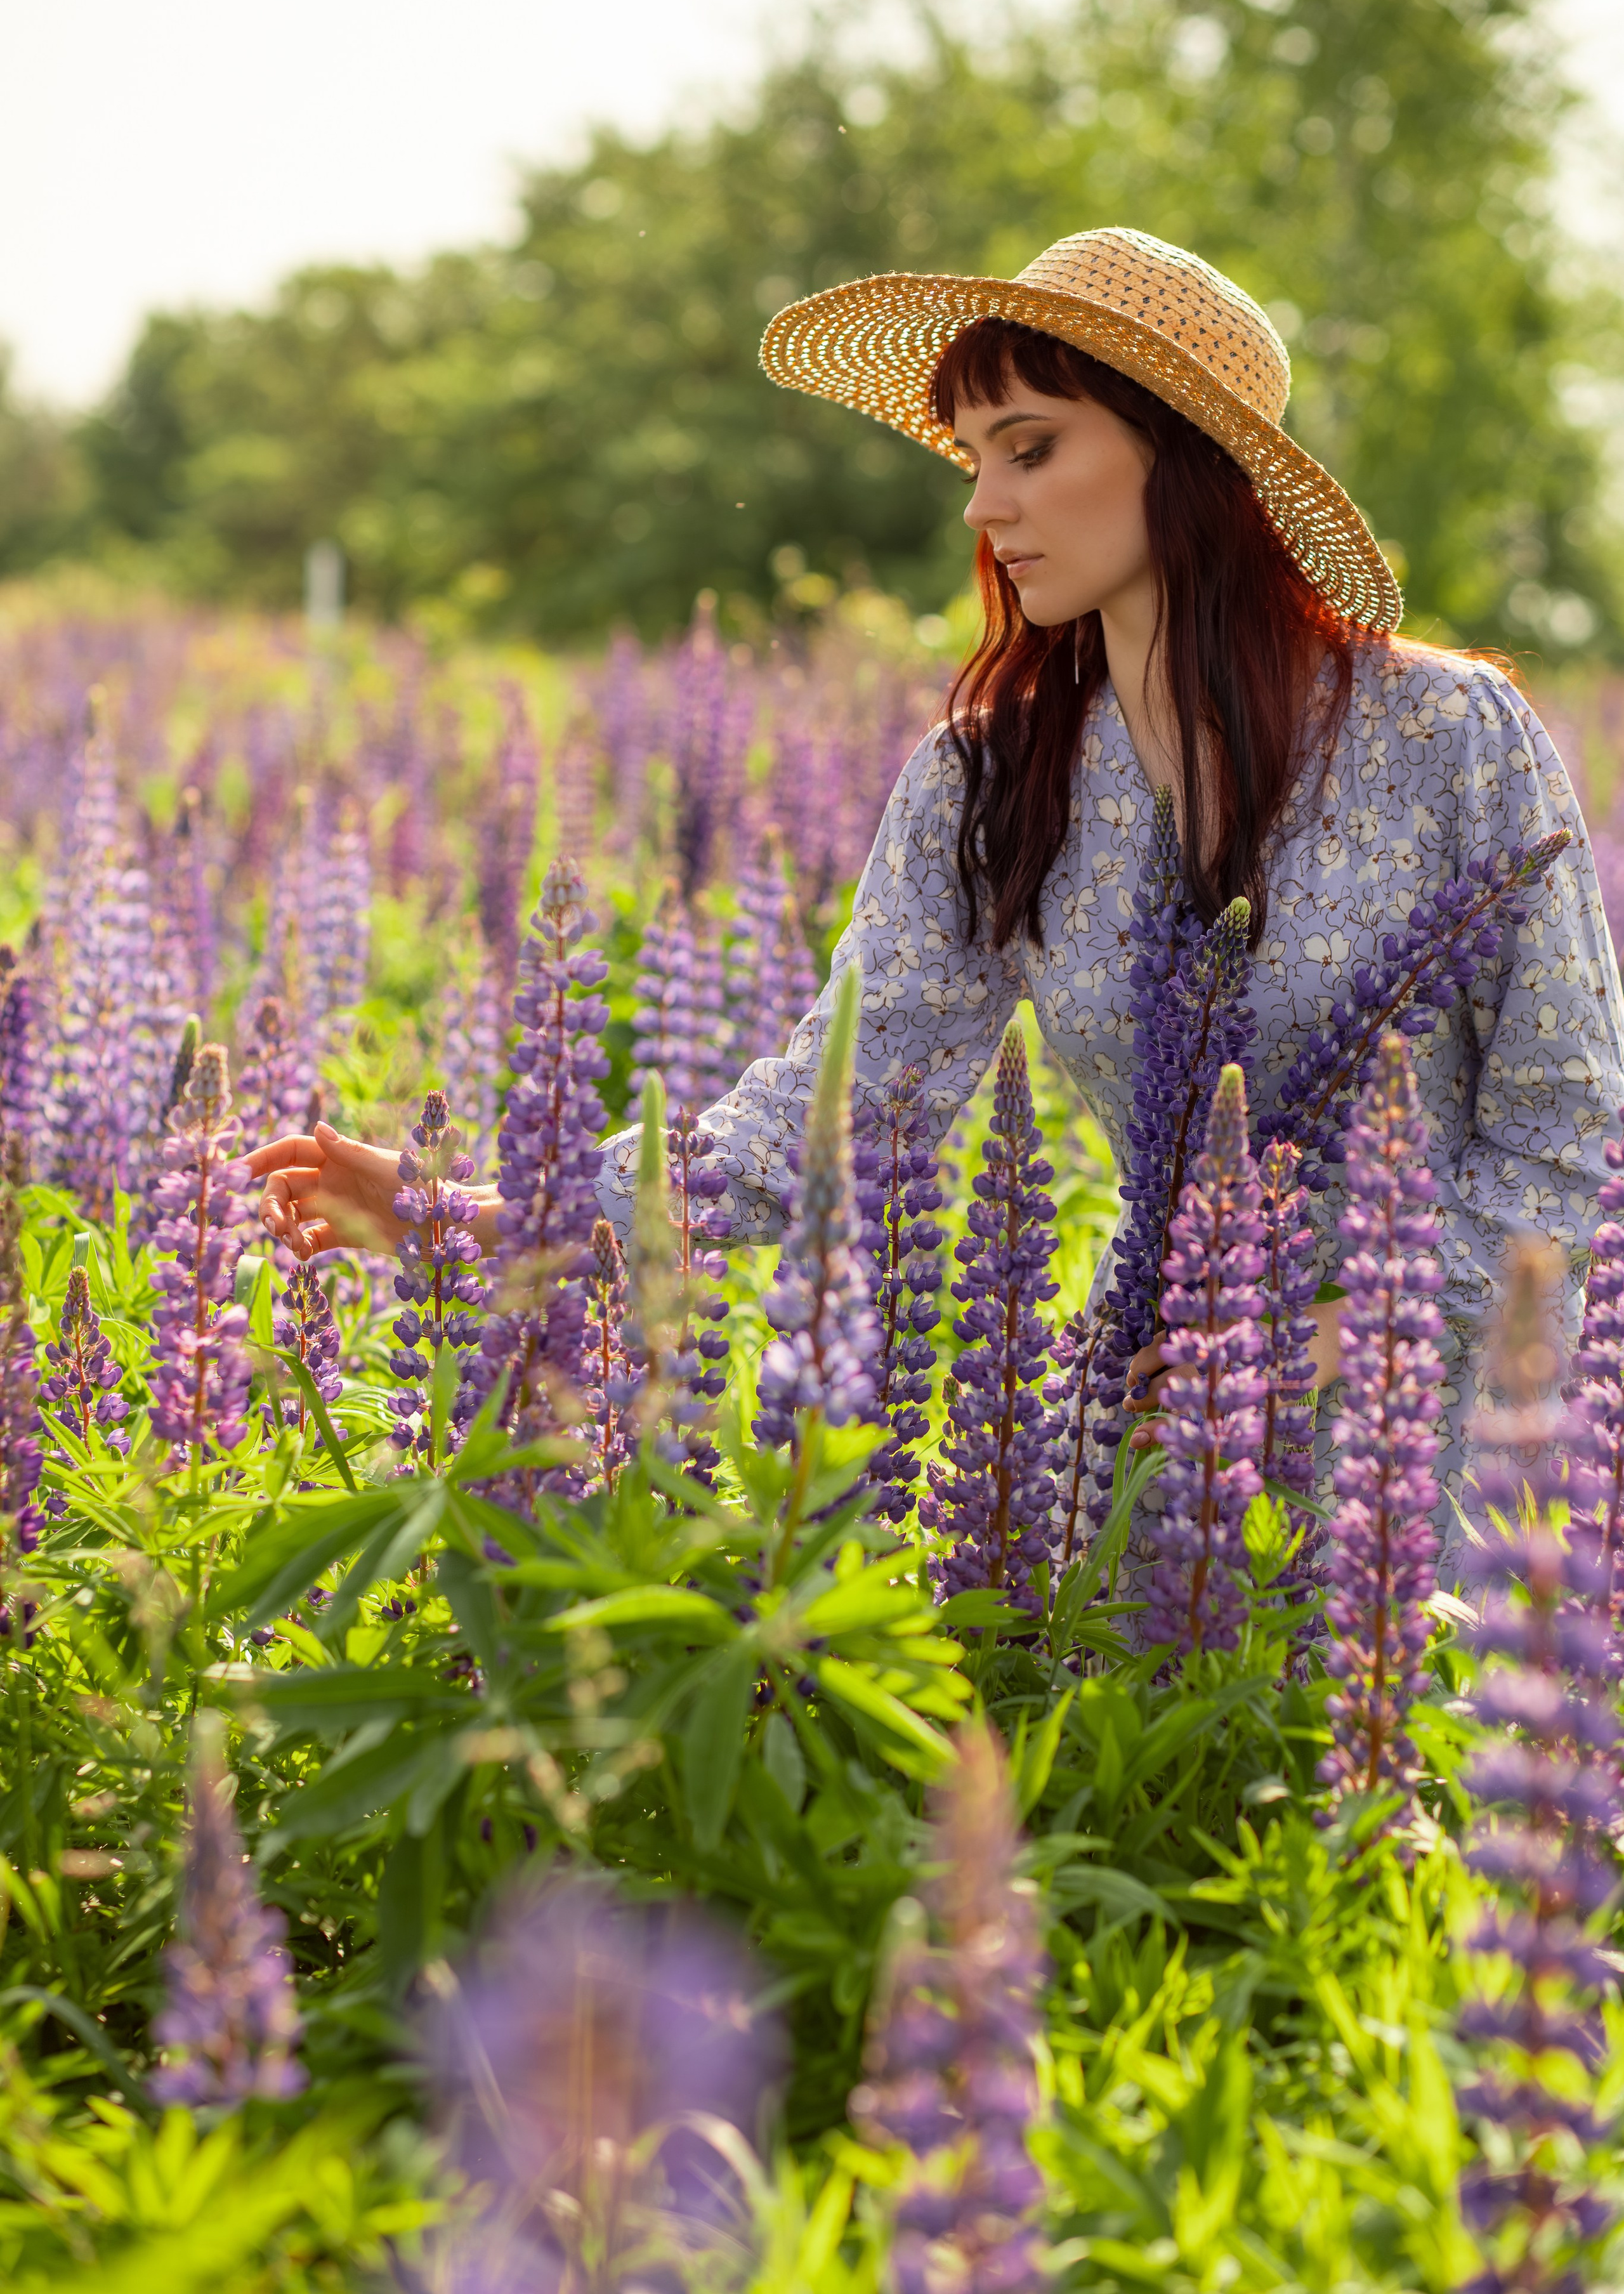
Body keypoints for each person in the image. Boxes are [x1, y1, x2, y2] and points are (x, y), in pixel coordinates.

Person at [252, 225, 1624, 1557]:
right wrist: (501, 1217)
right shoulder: (994, 776)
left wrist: (1333, 1335)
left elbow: (1569, 1133)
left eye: (1030, 449)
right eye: (974, 460)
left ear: (1182, 459)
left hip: (1443, 1454)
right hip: (1155, 1423)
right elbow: (844, 1100)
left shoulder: (1444, 736)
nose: (982, 505)